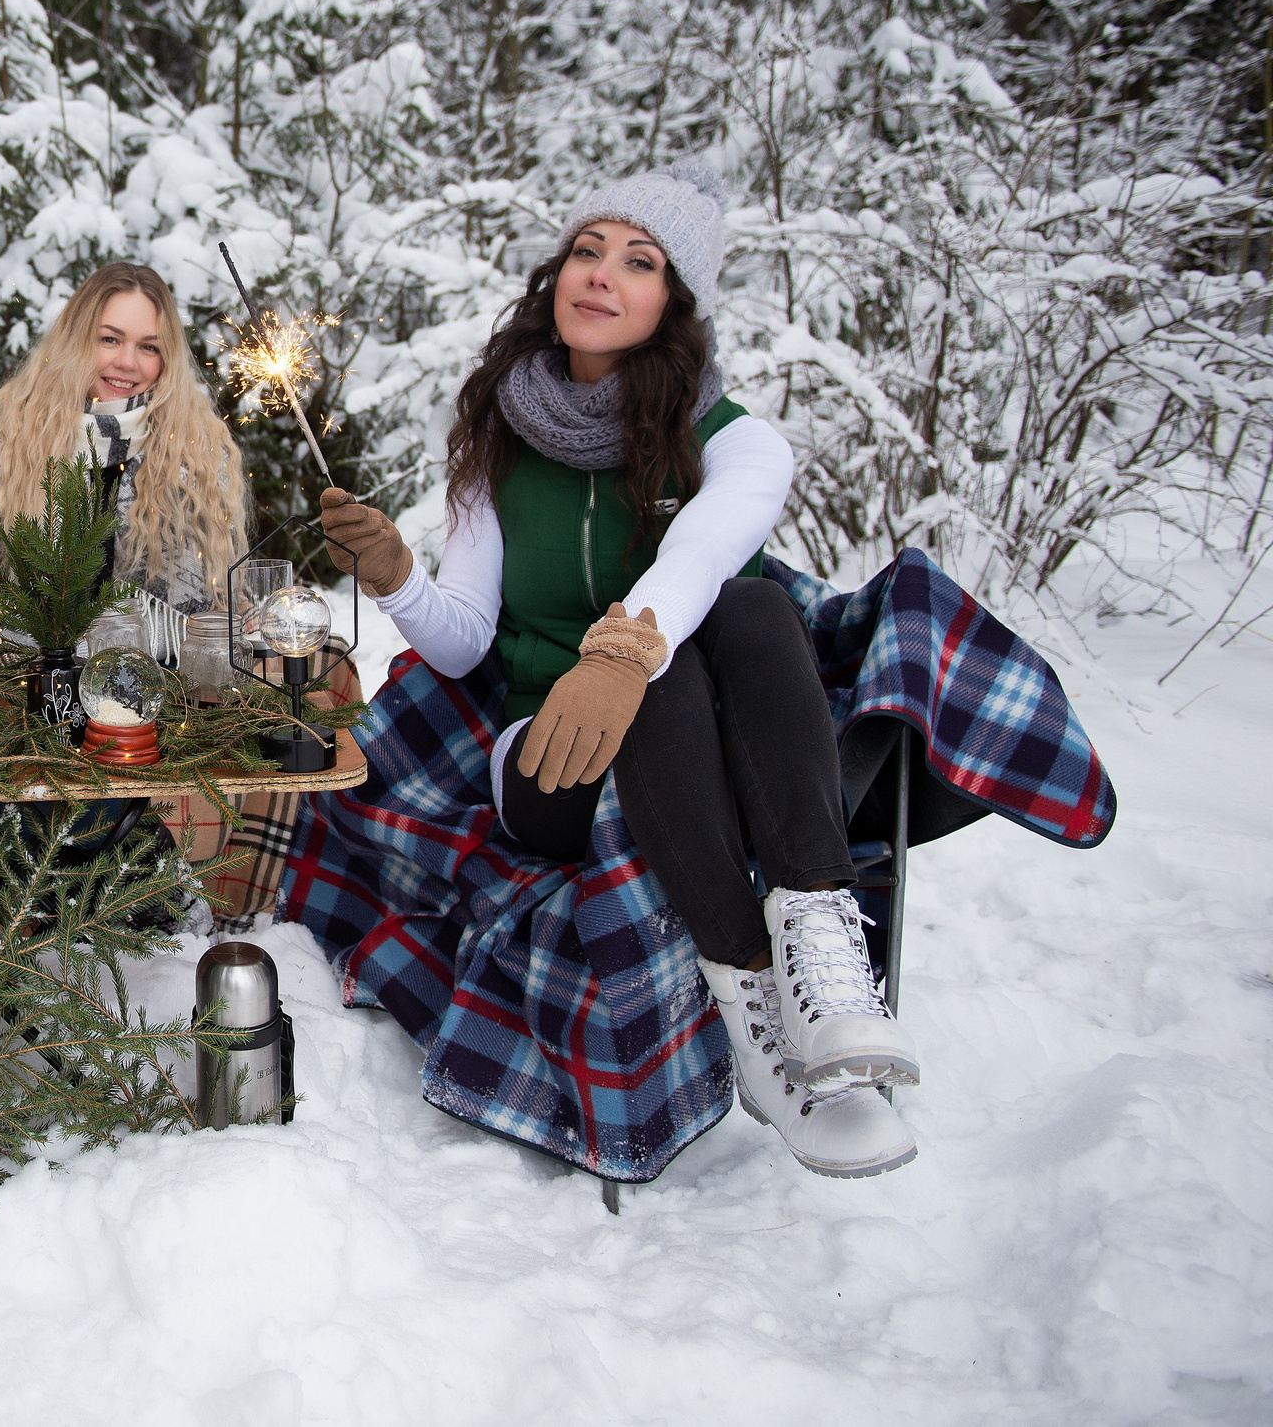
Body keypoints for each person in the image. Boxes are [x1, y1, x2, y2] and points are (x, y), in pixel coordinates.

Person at [318, 163, 923, 1179]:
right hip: (545, 755)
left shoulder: (739, 443)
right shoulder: (498, 439)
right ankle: (755, 1005)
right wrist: (396, 575)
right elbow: (463, 641)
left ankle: (817, 960)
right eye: (587, 250)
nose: (601, 273)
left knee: (750, 608)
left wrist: (622, 653)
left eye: (639, 261)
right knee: (665, 679)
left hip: (689, 735)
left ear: (673, 304)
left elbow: (701, 554)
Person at [0, 261, 249, 619]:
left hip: (163, 653)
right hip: (34, 653)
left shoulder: (194, 447)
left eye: (148, 347)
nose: (127, 362)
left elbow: (219, 597)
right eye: (110, 339)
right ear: (76, 340)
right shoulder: (9, 439)